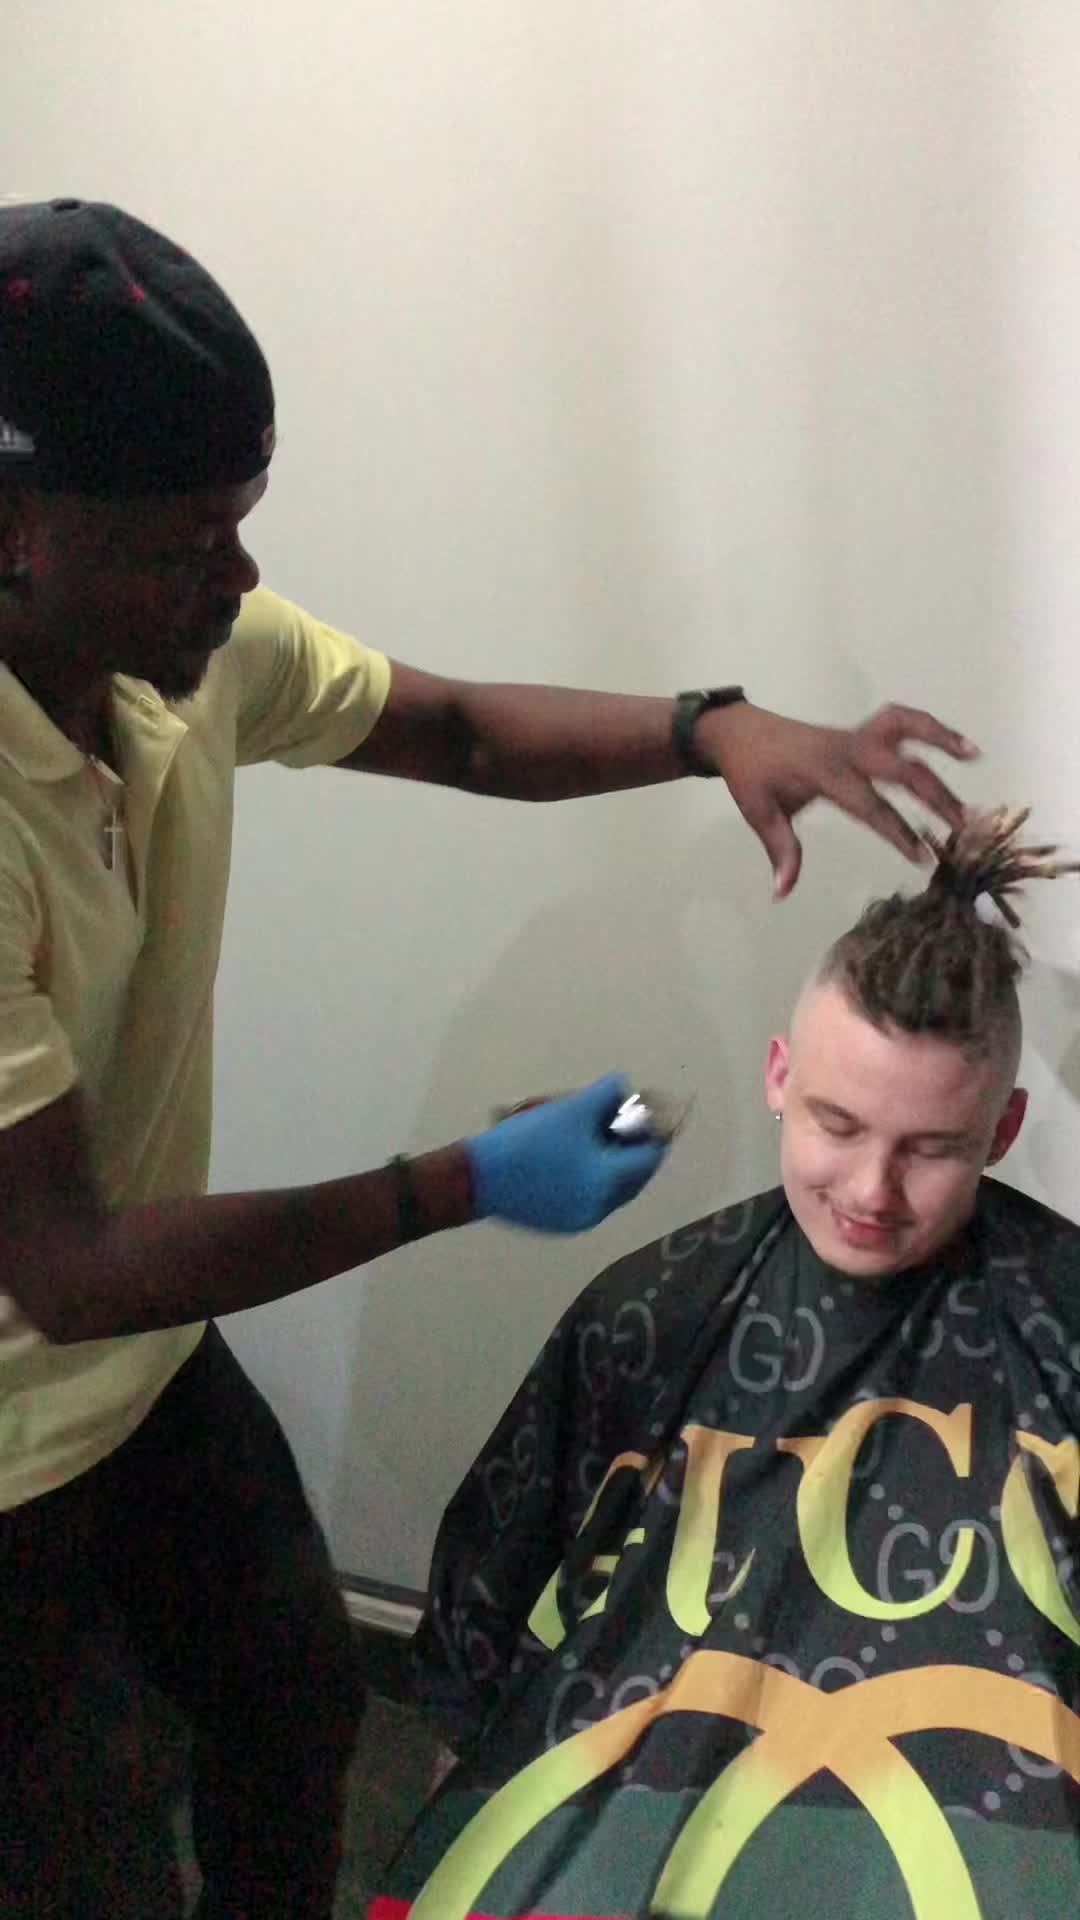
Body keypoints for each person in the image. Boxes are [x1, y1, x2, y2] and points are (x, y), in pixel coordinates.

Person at [0, 198, 976, 1919]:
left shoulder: (174, 664)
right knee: (84, 1856)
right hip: (23, 1415)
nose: (238, 581)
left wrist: (711, 730)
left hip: (141, 1375)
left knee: (297, 1704)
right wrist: (461, 1183)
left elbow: (453, 728)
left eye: (243, 526)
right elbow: (66, 1269)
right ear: (16, 533)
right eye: (188, 542)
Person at [383, 810, 1080, 1920]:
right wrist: (463, 1795)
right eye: (838, 1124)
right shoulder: (650, 1314)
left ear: (1002, 1132)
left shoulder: (1063, 1325)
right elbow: (488, 1598)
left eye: (932, 1148)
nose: (871, 1191)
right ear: (777, 1077)